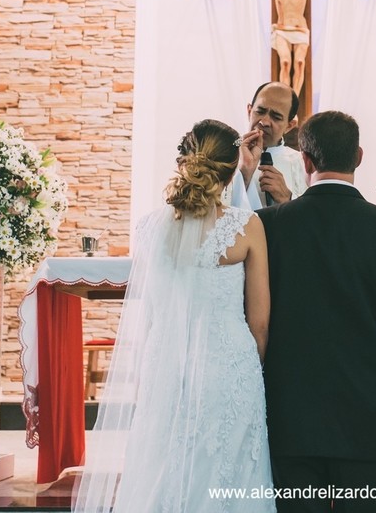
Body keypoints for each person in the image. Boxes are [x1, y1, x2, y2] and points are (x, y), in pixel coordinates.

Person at [74, 119, 274, 513]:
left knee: (163, 469)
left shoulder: (149, 228)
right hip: (229, 368)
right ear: (231, 170)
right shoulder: (247, 227)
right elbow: (261, 321)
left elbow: (148, 314)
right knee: (228, 476)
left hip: (166, 368)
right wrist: (255, 367)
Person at [257, 111, 376, 512]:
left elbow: (254, 320)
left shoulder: (268, 225)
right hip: (366, 423)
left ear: (305, 161)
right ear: (358, 157)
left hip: (290, 422)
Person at [203, 0, 376, 96]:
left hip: (300, 29)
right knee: (285, 62)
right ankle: (285, 99)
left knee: (299, 63)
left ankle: (294, 99)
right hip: (282, 29)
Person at [228, 81, 308, 210]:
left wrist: (288, 199)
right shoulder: (225, 151)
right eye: (260, 112)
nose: (264, 122)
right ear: (249, 111)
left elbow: (314, 218)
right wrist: (243, 177)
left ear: (289, 126)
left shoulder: (303, 164)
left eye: (276, 117)